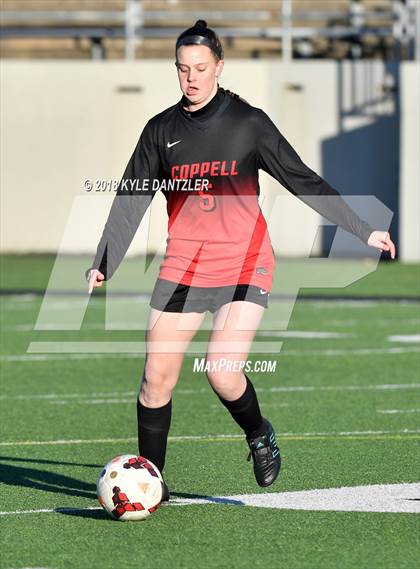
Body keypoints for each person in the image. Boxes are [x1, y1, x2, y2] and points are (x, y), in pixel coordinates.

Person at [86, 20, 396, 501]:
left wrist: (362, 227)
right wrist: (104, 259)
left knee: (221, 370)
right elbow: (132, 198)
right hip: (184, 267)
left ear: (219, 67)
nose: (191, 78)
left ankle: (259, 434)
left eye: (201, 68)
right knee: (155, 381)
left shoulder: (248, 123)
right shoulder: (161, 130)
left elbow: (302, 179)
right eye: (183, 69)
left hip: (244, 263)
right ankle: (154, 483)